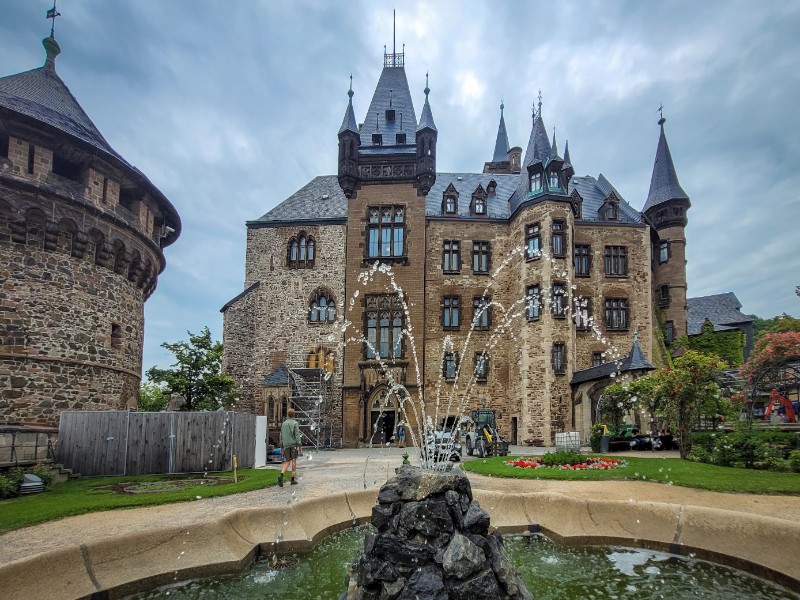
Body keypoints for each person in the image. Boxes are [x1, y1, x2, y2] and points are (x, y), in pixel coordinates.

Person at [279, 408, 302, 487]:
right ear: (293, 415)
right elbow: (297, 435)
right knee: (294, 461)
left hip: (286, 444)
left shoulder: (284, 424)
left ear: (287, 415)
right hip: (293, 444)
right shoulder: (295, 423)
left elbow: (281, 435)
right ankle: (292, 479)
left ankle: (281, 475)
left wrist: (282, 446)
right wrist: (299, 445)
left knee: (287, 461)